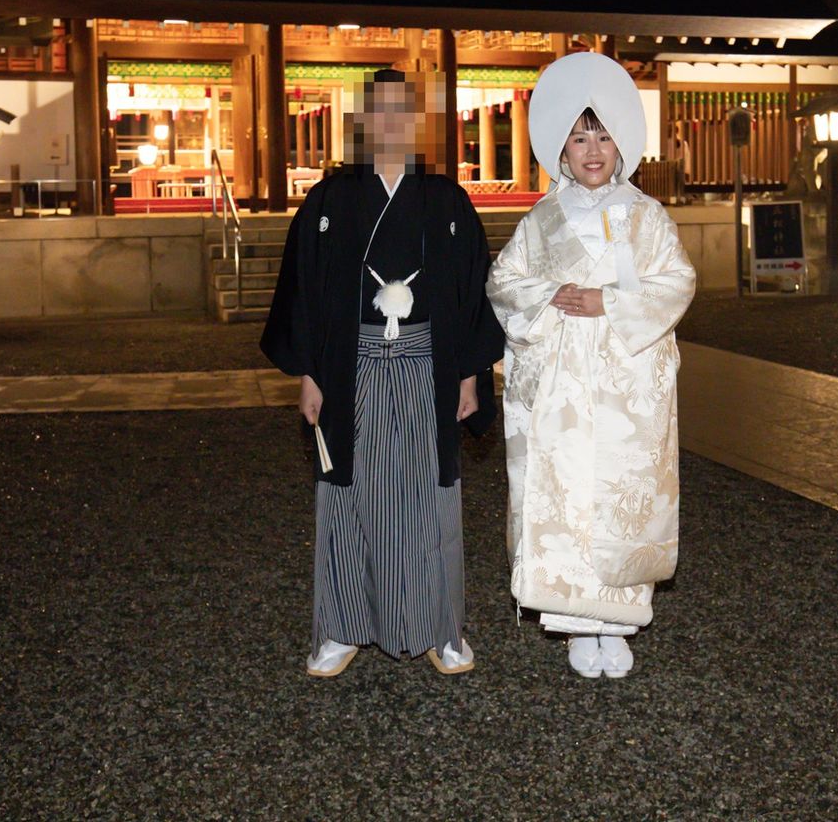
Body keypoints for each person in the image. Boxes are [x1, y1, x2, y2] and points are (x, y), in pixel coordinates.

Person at [261, 69, 503, 678]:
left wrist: (470, 374)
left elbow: (473, 288)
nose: (392, 122)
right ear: (363, 122)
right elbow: (304, 288)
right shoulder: (330, 200)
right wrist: (309, 373)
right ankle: (341, 626)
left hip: (427, 365)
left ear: (418, 122)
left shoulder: (446, 200)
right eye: (380, 111)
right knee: (346, 495)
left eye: (404, 111)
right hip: (351, 365)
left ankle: (440, 627)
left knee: (429, 498)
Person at [486, 52, 696, 679]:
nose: (592, 150)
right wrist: (551, 294)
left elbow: (677, 281)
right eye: (579, 138)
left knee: (621, 498)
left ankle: (619, 622)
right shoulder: (541, 219)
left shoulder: (647, 216)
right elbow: (503, 281)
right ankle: (577, 623)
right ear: (561, 148)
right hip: (561, 384)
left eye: (602, 136)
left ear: (621, 142)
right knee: (566, 498)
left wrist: (610, 302)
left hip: (626, 380)